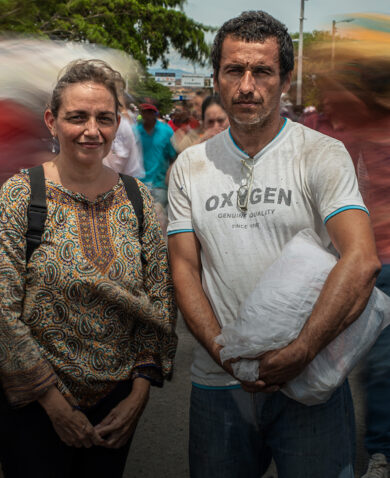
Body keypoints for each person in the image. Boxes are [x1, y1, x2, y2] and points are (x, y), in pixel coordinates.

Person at [167, 11, 380, 478]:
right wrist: (226, 353)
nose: (246, 85)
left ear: (284, 79)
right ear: (217, 77)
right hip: (217, 385)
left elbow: (361, 260)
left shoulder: (320, 154)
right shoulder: (190, 166)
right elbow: (184, 269)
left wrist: (301, 351)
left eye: (261, 71)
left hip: (310, 381)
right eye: (233, 70)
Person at [0, 59, 177, 478]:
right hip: (36, 407)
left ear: (119, 123)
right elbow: (2, 309)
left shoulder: (138, 202)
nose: (91, 130)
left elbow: (159, 301)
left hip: (116, 407)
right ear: (51, 120)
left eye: (104, 118)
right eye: (77, 117)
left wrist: (138, 395)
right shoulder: (20, 196)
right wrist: (54, 405)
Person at [134, 102, 177, 209]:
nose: (148, 115)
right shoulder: (134, 131)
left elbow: (173, 156)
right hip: (138, 184)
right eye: (145, 112)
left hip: (159, 185)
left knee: (159, 219)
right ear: (141, 113)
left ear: (155, 114)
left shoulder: (166, 131)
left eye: (151, 112)